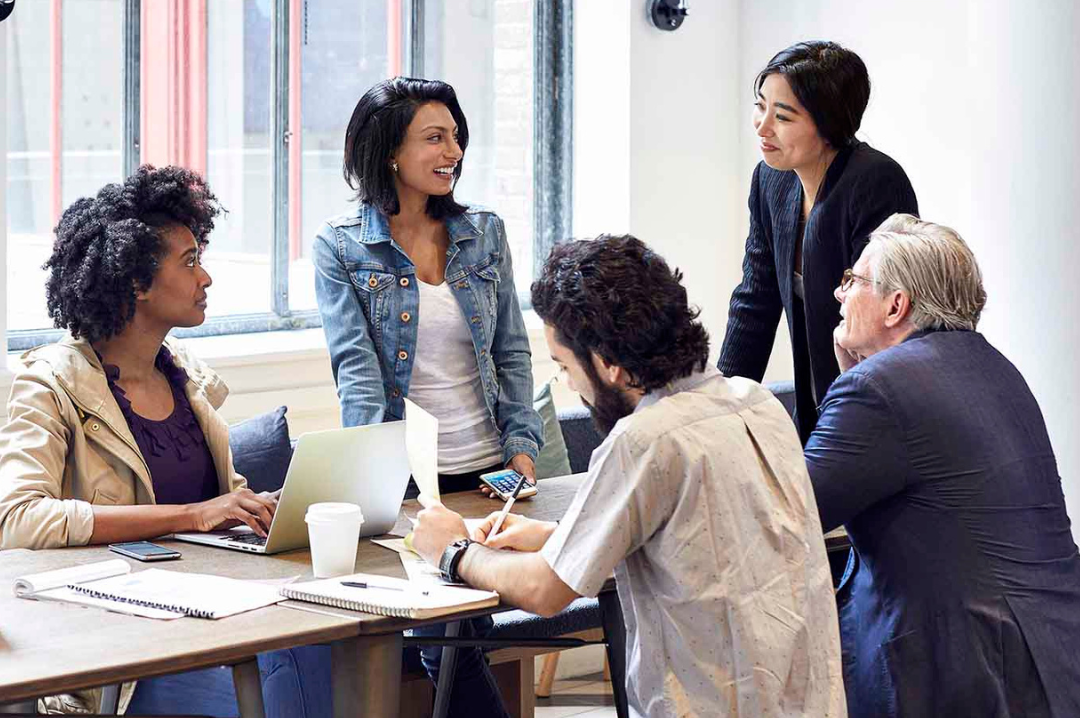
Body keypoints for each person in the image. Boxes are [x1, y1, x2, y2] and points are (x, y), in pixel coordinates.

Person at [412, 235, 847, 718]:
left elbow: (544, 590)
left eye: (565, 367)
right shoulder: (755, 404)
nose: (572, 385)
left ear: (608, 364)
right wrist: (554, 536)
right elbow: (703, 539)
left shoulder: (646, 439)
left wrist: (454, 550)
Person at [0, 166, 287, 714]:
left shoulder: (188, 379)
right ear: (136, 282)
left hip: (220, 621)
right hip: (121, 652)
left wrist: (262, 511)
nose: (206, 279)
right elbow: (18, 519)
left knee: (326, 653)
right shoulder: (52, 383)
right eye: (190, 262)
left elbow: (218, 509)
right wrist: (192, 514)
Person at [313, 76, 543, 718]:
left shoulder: (484, 234)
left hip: (492, 473)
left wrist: (523, 451)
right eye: (434, 138)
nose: (454, 151)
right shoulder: (342, 246)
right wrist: (374, 484)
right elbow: (356, 374)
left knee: (471, 631)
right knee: (441, 641)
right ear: (390, 151)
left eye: (457, 136)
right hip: (412, 482)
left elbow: (511, 351)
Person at [805, 214, 1080, 717]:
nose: (840, 295)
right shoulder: (994, 367)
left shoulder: (878, 388)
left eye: (853, 280)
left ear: (896, 305)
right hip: (1051, 653)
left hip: (963, 671)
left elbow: (796, 509)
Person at [718, 41, 919, 443]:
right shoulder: (771, 179)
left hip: (876, 408)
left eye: (783, 116)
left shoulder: (876, 182)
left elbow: (887, 325)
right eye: (760, 107)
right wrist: (721, 409)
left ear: (828, 124)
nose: (762, 127)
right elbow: (755, 300)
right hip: (814, 407)